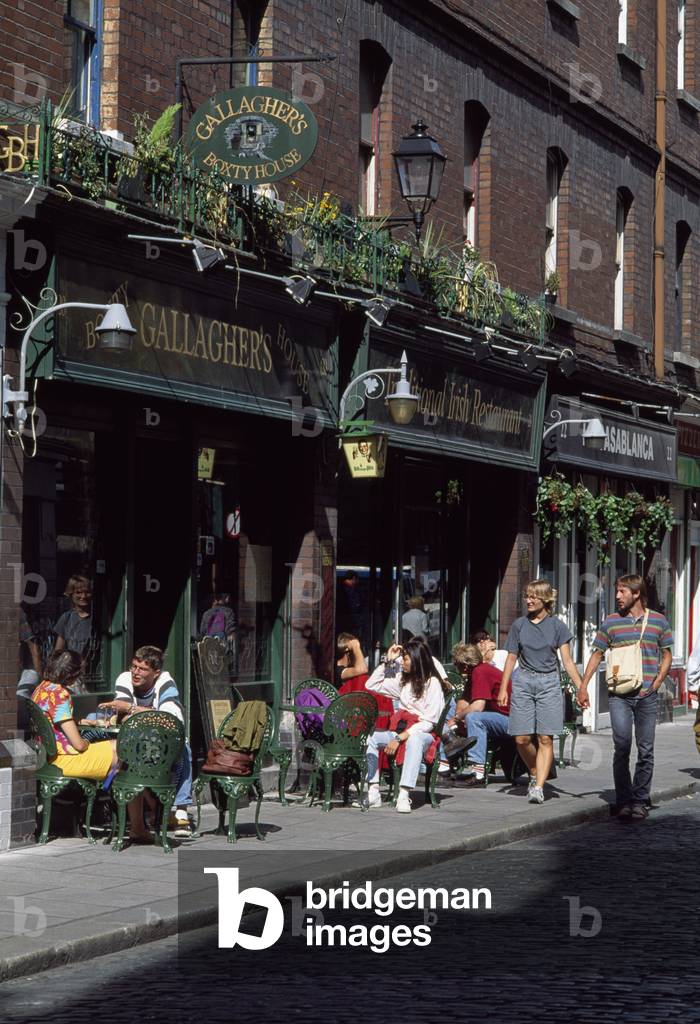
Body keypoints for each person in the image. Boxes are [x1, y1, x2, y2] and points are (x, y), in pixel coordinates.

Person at [578, 574, 673, 821]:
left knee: (646, 748)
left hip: (647, 696)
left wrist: (657, 682)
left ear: (636, 593)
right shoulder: (611, 622)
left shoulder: (658, 621)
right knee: (622, 745)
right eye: (617, 591)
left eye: (622, 592)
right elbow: (597, 654)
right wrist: (583, 685)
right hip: (619, 694)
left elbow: (667, 655)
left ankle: (640, 800)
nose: (617, 596)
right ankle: (623, 800)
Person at [498, 579, 583, 805]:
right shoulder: (519, 625)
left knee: (545, 737)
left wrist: (581, 688)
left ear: (545, 599)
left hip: (549, 684)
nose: (528, 600)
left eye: (533, 596)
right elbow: (511, 657)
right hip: (524, 681)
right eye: (527, 596)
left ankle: (538, 787)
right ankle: (536, 769)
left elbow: (567, 661)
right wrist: (504, 687)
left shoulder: (558, 627)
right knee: (521, 738)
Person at [100, 645, 194, 838]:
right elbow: (122, 716)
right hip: (135, 740)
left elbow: (170, 716)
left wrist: (131, 708)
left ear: (156, 673)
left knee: (184, 748)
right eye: (134, 666)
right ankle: (154, 810)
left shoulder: (166, 683)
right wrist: (136, 710)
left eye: (142, 669)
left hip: (163, 739)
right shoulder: (125, 679)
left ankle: (181, 807)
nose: (135, 672)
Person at [365, 638, 445, 813]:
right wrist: (388, 661)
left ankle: (404, 793)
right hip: (399, 730)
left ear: (416, 660)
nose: (402, 662)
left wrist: (399, 738)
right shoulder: (403, 681)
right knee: (371, 737)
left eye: (406, 658)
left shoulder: (433, 684)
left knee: (415, 740)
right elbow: (371, 685)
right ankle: (373, 790)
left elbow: (429, 722)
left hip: (423, 733)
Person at [31, 650, 118, 782]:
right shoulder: (60, 695)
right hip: (64, 760)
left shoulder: (41, 689)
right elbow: (79, 745)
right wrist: (88, 742)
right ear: (73, 674)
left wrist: (83, 721)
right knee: (121, 749)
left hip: (46, 757)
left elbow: (53, 718)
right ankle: (113, 792)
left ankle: (110, 786)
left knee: (118, 753)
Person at [450, 641, 510, 786]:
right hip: (496, 716)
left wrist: (458, 718)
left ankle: (478, 773)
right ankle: (446, 764)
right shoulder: (474, 672)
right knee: (451, 713)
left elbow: (478, 706)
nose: (454, 666)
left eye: (456, 663)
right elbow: (464, 700)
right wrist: (455, 717)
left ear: (465, 664)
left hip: (511, 720)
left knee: (474, 718)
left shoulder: (480, 671)